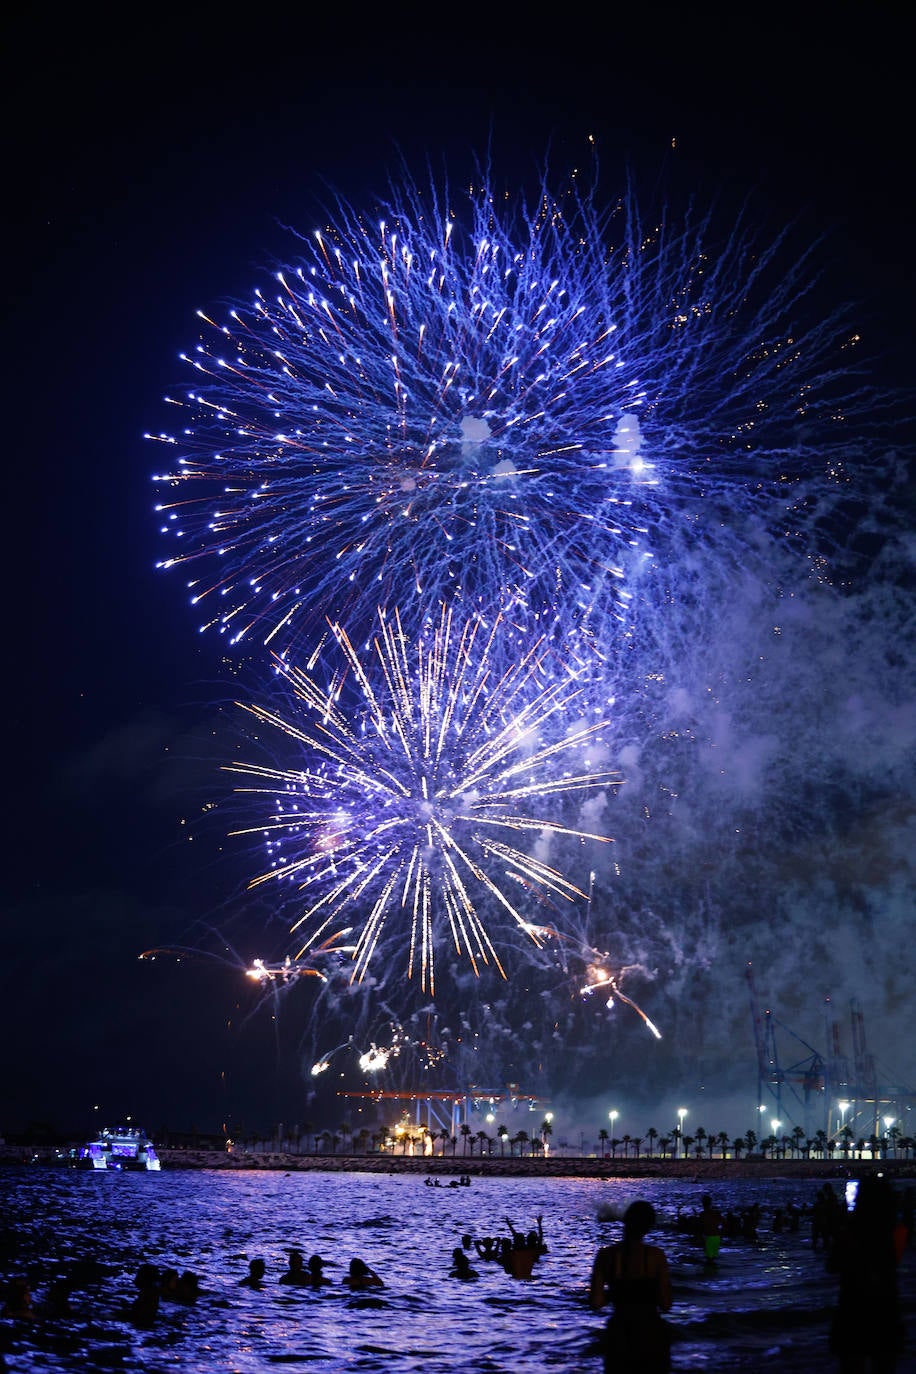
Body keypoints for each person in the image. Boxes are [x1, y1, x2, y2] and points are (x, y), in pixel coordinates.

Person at [827, 1176, 904, 1372]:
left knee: (852, 1363)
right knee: (885, 1364)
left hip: (853, 1305)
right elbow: (893, 1259)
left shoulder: (849, 1231)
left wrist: (842, 1224)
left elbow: (833, 1265)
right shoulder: (898, 1231)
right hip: (886, 1305)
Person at [589, 1199, 673, 1374]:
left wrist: (617, 1292)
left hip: (619, 1333)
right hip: (650, 1333)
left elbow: (596, 1302)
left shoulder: (605, 1255)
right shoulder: (656, 1256)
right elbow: (666, 1304)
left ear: (625, 1221)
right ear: (649, 1227)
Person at [699, 1194, 724, 1263]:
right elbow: (723, 1222)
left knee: (709, 1259)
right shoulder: (716, 1213)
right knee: (713, 1258)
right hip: (717, 1236)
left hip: (709, 1237)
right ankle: (713, 1272)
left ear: (703, 1203)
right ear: (710, 1203)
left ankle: (710, 1272)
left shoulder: (703, 1214)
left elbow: (701, 1226)